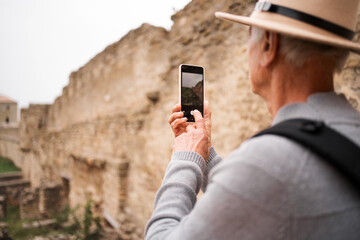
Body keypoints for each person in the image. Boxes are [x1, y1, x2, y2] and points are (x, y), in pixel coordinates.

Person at [145, 0, 360, 239]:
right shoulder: (350, 130)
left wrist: (185, 156)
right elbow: (250, 195)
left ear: (269, 44)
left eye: (249, 36)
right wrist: (203, 152)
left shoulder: (270, 163)